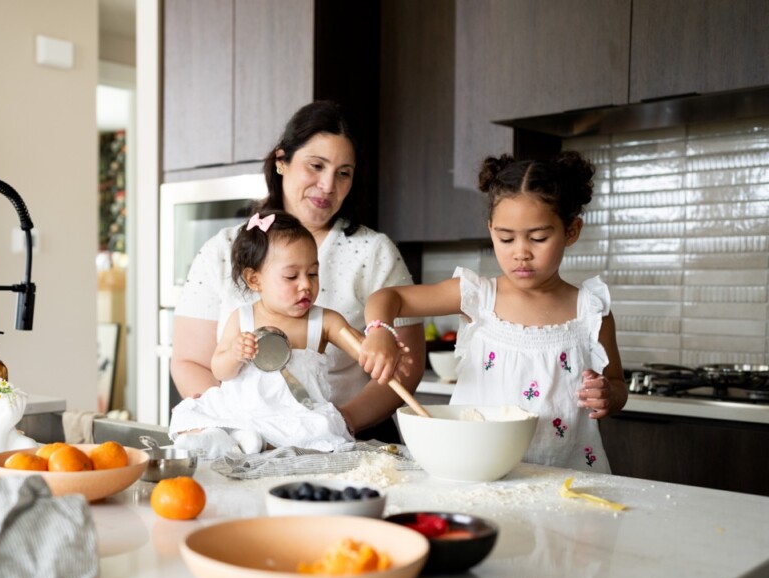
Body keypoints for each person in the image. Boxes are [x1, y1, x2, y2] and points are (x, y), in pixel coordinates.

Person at [171, 101, 425, 442]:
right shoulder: (221, 249)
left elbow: (400, 371)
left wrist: (335, 423)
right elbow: (190, 361)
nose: (327, 185)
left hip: (342, 439)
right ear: (281, 162)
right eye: (316, 166)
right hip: (241, 439)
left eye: (343, 173)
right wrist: (238, 427)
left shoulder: (374, 252)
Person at [359, 151, 627, 473]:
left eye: (539, 238)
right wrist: (378, 330)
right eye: (506, 238)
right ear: (491, 231)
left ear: (571, 231)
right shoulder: (477, 296)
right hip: (476, 470)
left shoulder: (591, 311)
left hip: (567, 477)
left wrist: (608, 395)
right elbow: (389, 298)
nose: (521, 253)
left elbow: (616, 384)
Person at [169, 210, 404, 456]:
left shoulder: (324, 321)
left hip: (297, 413)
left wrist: (382, 348)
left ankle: (252, 444)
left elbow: (363, 349)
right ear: (254, 279)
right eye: (291, 276)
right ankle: (228, 438)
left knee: (320, 429)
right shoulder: (243, 318)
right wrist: (235, 354)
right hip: (244, 410)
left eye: (313, 273)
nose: (306, 284)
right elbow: (219, 370)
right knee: (193, 411)